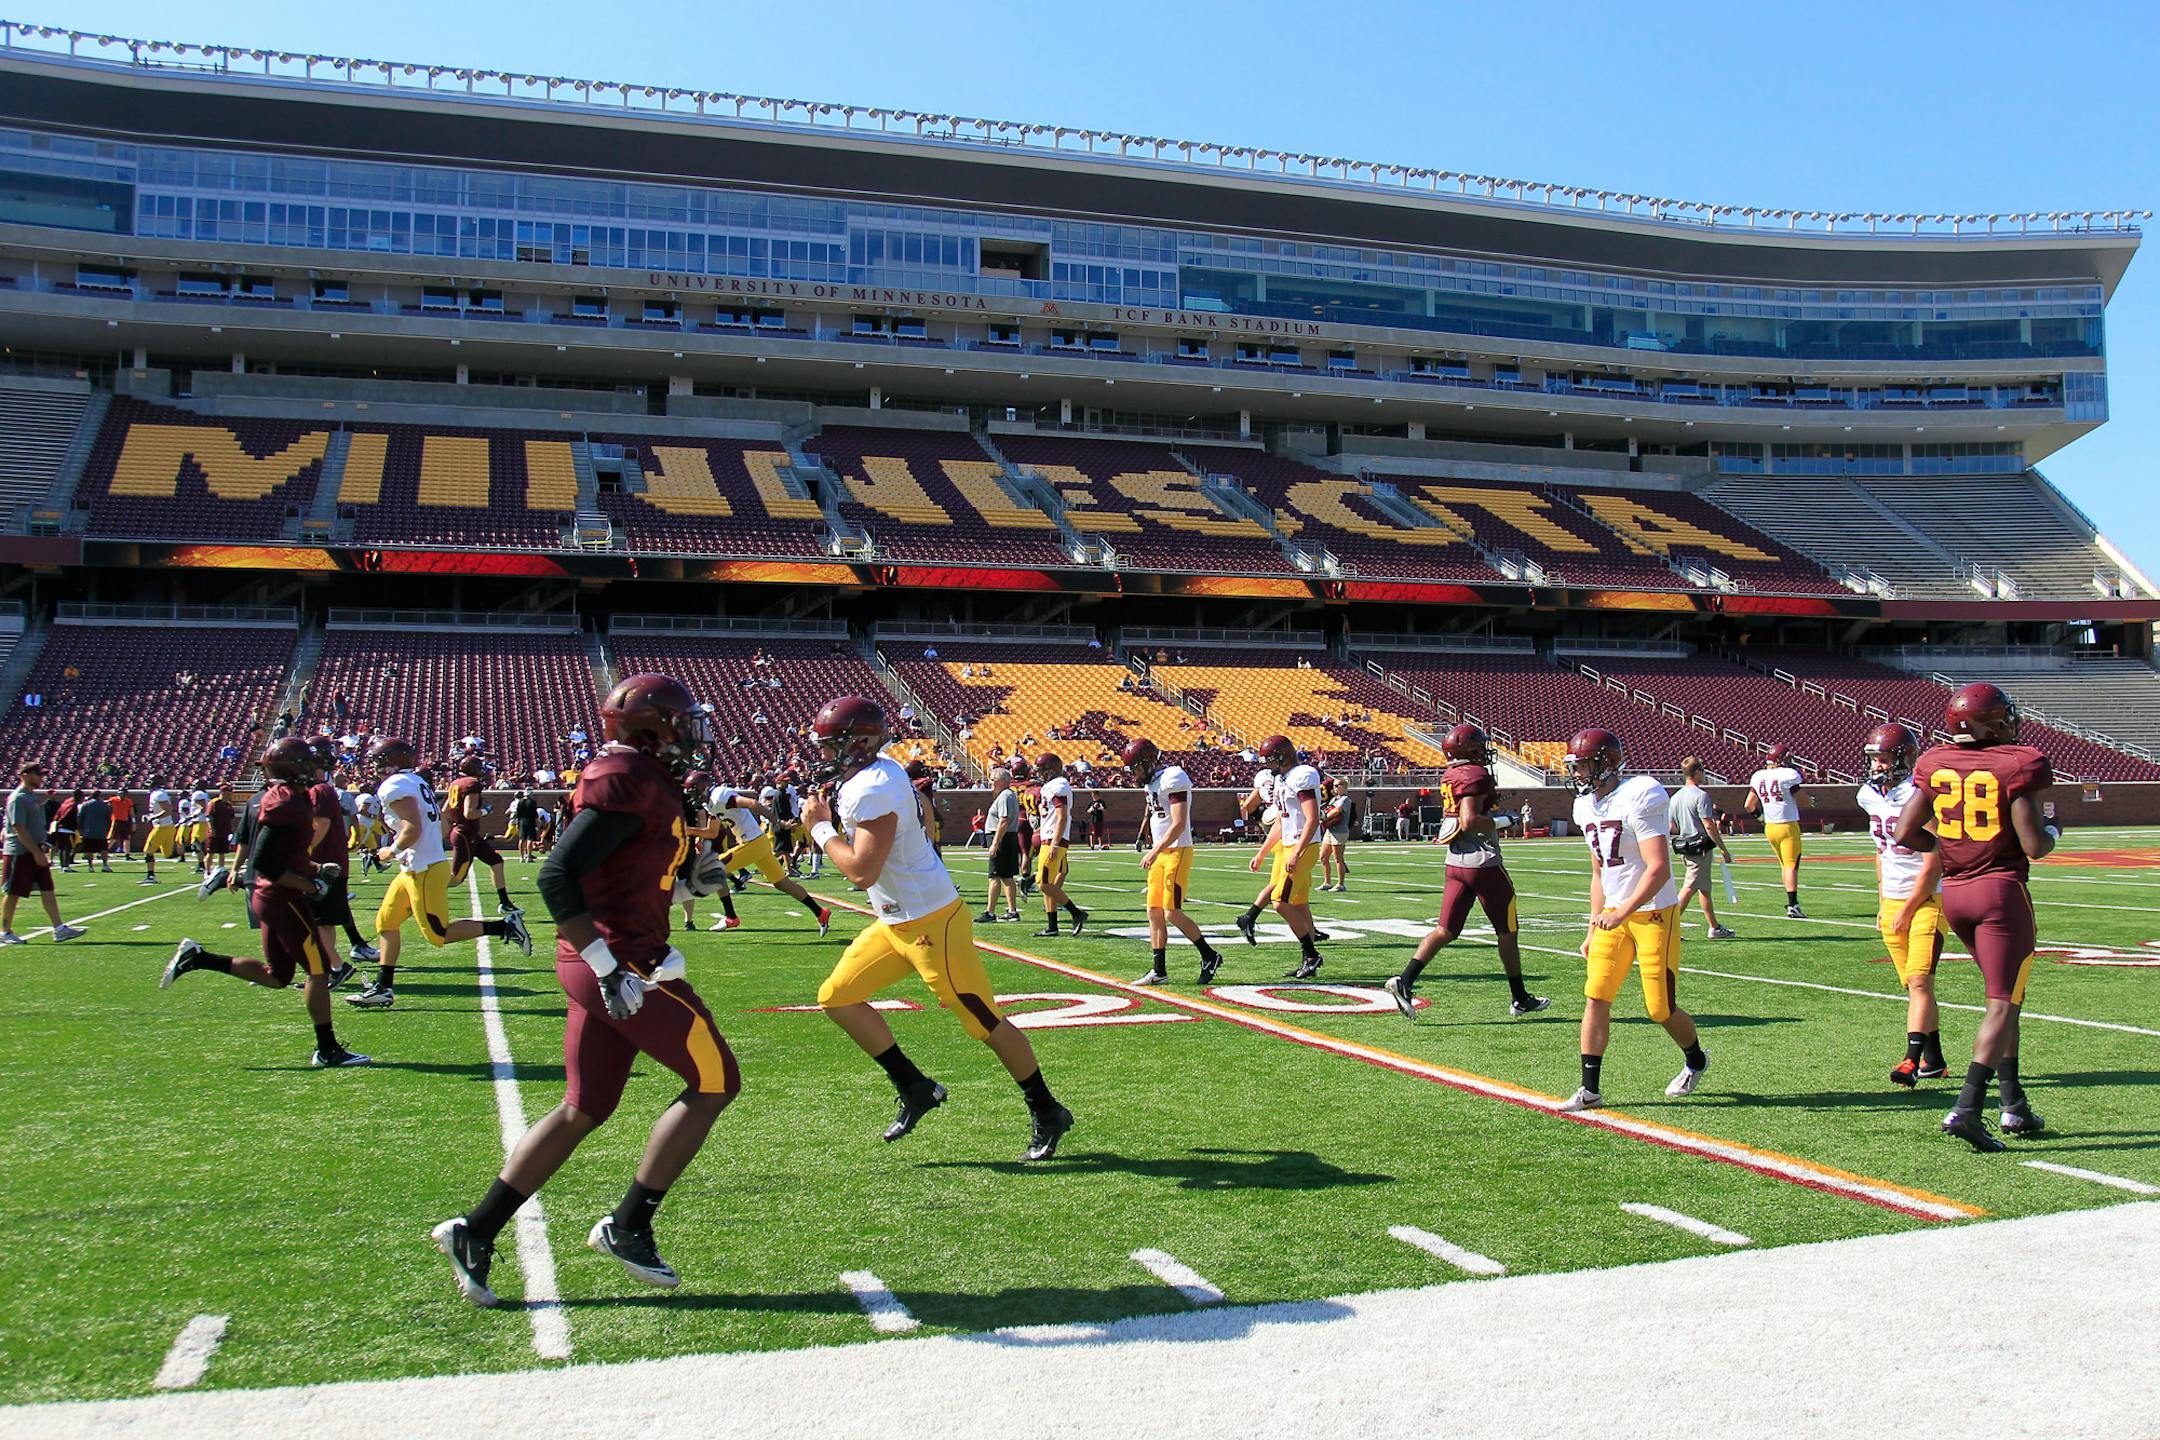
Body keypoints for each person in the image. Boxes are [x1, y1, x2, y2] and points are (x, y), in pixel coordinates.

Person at [434, 674, 740, 1306]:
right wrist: (608, 966)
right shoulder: (625, 778)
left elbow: (620, 881)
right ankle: (629, 1224)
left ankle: (477, 1229)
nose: (691, 733)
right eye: (681, 721)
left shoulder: (645, 779)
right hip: (623, 965)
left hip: (608, 956)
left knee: (585, 1105)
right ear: (649, 724)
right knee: (716, 1082)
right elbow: (558, 875)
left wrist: (688, 888)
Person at [801, 696, 1072, 1162]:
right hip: (895, 920)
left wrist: (822, 831)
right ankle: (914, 1086)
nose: (825, 753)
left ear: (861, 742)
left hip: (930, 922)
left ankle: (1047, 1110)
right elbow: (921, 822)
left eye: (833, 744)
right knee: (837, 997)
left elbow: (862, 871)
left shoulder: (874, 785)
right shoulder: (874, 774)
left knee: (983, 1021)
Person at [1894, 683, 2057, 1152]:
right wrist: (2054, 830)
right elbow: (2034, 846)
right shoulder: (2015, 762)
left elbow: (1906, 832)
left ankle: (2014, 1104)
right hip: (2000, 892)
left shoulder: (1933, 763)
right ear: (1995, 721)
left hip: (1958, 895)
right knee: (2002, 1002)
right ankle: (1967, 1108)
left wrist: (1949, 849)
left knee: (2008, 1000)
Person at [160, 739, 365, 1068]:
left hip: (269, 895)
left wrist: (314, 868)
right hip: (282, 897)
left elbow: (282, 855)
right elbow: (268, 862)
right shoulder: (288, 804)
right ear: (296, 767)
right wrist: (309, 884)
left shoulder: (278, 799)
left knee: (278, 976)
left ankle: (199, 958)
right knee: (318, 970)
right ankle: (327, 1049)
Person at [1560, 728, 1708, 1111]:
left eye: (1583, 766)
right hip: (1613, 914)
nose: (1577, 774)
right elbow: (1599, 873)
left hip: (1654, 911)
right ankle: (1589, 1089)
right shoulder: (1586, 806)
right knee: (1596, 996)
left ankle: (1695, 1059)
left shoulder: (1641, 793)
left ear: (1607, 763)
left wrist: (1623, 911)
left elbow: (1658, 869)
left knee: (1660, 1008)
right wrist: (1594, 923)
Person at [347, 738, 532, 1010]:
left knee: (438, 935)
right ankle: (383, 988)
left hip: (423, 869)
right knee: (386, 922)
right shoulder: (416, 781)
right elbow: (440, 825)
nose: (376, 766)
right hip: (416, 867)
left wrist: (391, 851)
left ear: (393, 762)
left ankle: (505, 926)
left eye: (380, 761)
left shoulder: (396, 785)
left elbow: (412, 828)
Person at [1386, 725, 1544, 1020]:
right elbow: (1470, 820)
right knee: (1507, 932)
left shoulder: (1451, 774)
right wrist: (1504, 821)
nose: (1483, 751)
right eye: (1479, 746)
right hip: (1482, 862)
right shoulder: (1474, 774)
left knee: (1445, 930)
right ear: (1469, 750)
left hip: (1455, 861)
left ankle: (1404, 980)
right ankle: (1520, 997)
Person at [1855, 723, 1948, 1090]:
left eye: (1883, 758)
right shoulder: (1868, 795)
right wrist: (1882, 902)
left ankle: (1911, 1060)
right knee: (1915, 986)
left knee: (1921, 980)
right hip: (1893, 899)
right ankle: (1935, 1059)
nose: (1877, 765)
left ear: (1905, 758)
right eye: (1873, 758)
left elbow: (1934, 859)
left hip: (1926, 899)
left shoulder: (1919, 794)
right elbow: (1880, 852)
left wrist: (1908, 907)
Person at [1126, 739, 1226, 987]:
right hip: (1161, 852)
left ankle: (1209, 955)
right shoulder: (1154, 782)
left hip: (1176, 851)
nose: (1134, 774)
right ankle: (1159, 971)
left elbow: (1179, 822)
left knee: (1172, 912)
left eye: (1136, 768)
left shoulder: (1174, 778)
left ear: (1148, 763)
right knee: (1154, 912)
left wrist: (1154, 850)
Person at [703, 776, 831, 935]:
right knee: (782, 883)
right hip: (757, 843)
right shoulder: (710, 803)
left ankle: (731, 916)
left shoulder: (720, 796)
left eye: (694, 790)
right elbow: (711, 831)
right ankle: (821, 912)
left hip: (752, 843)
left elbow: (753, 803)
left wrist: (779, 822)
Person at [1244, 736, 1327, 980]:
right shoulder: (1282, 780)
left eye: (1270, 760)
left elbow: (1311, 819)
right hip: (1290, 844)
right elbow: (1281, 822)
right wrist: (1262, 853)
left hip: (1303, 845)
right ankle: (1308, 960)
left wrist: (1298, 852)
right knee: (1298, 904)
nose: (1268, 766)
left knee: (1280, 901)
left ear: (1282, 757)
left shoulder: (1302, 775)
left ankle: (1311, 955)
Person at [0, 762, 85, 944]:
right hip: (20, 851)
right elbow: (18, 827)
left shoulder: (30, 797)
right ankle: (5, 932)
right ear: (24, 775)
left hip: (34, 849)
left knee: (47, 888)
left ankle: (59, 928)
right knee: (13, 891)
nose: (41, 778)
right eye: (37, 774)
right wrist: (35, 852)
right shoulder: (18, 798)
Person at [1669, 758, 1737, 939]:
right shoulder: (1701, 795)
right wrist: (1723, 848)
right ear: (1697, 772)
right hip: (1700, 847)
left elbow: (1672, 827)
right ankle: (1669, 927)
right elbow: (1709, 825)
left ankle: (1714, 927)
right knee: (1690, 887)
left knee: (1704, 888)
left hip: (1686, 847)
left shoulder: (1675, 797)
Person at [446, 757, 520, 917]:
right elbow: (469, 813)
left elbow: (445, 811)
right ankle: (419, 891)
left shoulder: (455, 783)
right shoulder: (472, 784)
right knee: (455, 879)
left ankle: (505, 903)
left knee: (496, 861)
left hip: (467, 834)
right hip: (465, 835)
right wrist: (486, 810)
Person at [1744, 743, 1808, 918]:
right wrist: (1811, 801)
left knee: (1784, 865)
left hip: (1770, 827)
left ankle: (1792, 902)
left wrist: (1763, 820)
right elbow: (1802, 801)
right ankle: (1793, 905)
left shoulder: (1759, 776)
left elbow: (1749, 805)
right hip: (1787, 825)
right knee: (1791, 865)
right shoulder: (1788, 775)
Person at [1028, 753, 1088, 938]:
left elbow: (1062, 817)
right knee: (1050, 883)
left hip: (1054, 840)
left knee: (1043, 884)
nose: (1040, 773)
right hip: (1051, 838)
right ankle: (1052, 926)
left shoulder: (1059, 785)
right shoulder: (1051, 786)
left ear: (1051, 770)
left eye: (1042, 770)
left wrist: (1054, 843)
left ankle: (1076, 913)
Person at [980, 768, 1022, 922]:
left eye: (993, 779)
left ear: (1002, 781)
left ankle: (990, 912)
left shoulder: (1005, 796)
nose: (991, 782)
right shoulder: (1006, 796)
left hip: (1002, 838)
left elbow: (1004, 820)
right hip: (1005, 838)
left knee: (994, 876)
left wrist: (995, 843)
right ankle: (1012, 911)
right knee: (1006, 876)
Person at [1316, 777, 1354, 892]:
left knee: (1338, 858)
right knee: (1323, 857)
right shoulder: (1333, 799)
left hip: (1340, 831)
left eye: (1338, 785)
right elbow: (1328, 810)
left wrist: (1324, 817)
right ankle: (1327, 882)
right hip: (1330, 830)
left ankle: (1340, 884)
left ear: (1344, 787)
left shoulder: (1345, 799)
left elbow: (1337, 811)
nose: (1335, 788)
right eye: (1334, 786)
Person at [141, 776, 180, 885]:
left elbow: (167, 810)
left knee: (148, 851)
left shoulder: (159, 794)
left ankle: (151, 876)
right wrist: (151, 816)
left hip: (162, 827)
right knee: (169, 855)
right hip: (165, 826)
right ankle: (199, 857)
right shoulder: (158, 793)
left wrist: (153, 817)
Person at [76, 790, 112, 874]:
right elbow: (108, 819)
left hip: (88, 831)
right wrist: (106, 828)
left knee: (89, 849)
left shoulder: (85, 805)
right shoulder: (104, 805)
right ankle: (105, 865)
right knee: (103, 849)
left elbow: (81, 818)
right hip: (101, 831)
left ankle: (90, 866)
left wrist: (81, 829)